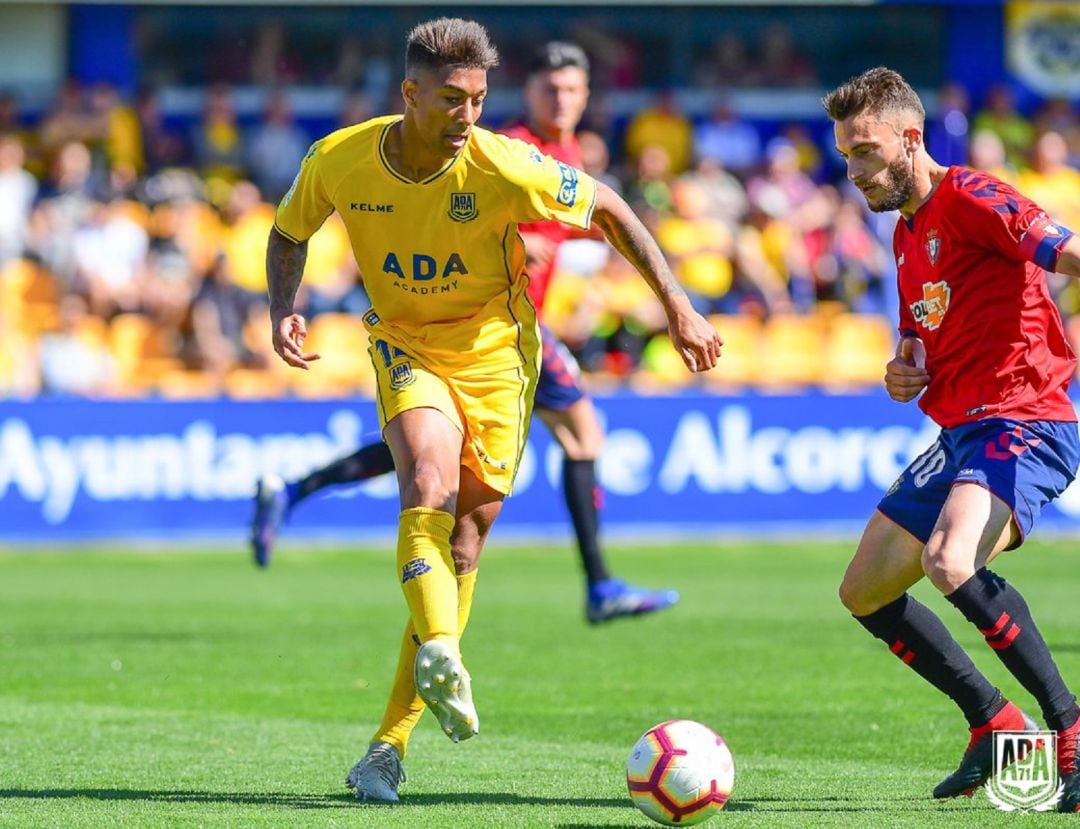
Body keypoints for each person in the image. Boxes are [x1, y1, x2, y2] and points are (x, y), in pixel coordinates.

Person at [265, 18, 721, 803]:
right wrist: (283, 307)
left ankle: (386, 746)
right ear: (409, 93)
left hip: (498, 358)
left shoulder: (503, 163)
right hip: (407, 346)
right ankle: (442, 645)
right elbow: (286, 232)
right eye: (450, 99)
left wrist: (678, 306)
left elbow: (609, 208)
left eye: (477, 98)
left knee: (468, 539)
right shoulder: (339, 158)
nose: (467, 114)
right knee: (427, 483)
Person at [253, 41, 682, 625]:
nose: (561, 100)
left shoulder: (564, 151)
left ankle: (297, 488)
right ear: (528, 92)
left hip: (508, 326)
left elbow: (585, 222)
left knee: (434, 453)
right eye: (550, 89)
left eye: (572, 90)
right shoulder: (499, 149)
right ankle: (599, 584)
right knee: (571, 437)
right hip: (492, 331)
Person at [823, 67, 1080, 812]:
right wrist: (905, 368)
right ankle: (996, 723)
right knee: (863, 589)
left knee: (948, 558)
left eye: (864, 151)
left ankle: (1068, 725)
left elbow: (1062, 251)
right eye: (845, 156)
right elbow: (918, 338)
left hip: (1026, 419)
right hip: (963, 428)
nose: (853, 171)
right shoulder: (905, 234)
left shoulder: (972, 196)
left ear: (911, 139)